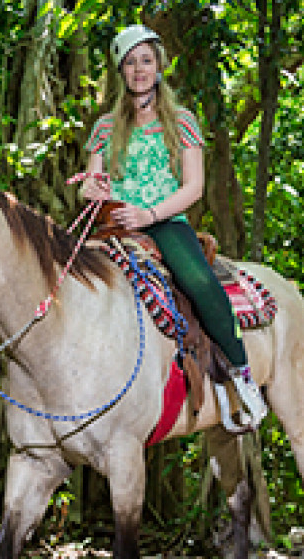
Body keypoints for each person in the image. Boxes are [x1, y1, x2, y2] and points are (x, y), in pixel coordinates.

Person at [79, 24, 268, 428]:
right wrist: (91, 190)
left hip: (162, 221)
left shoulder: (181, 122)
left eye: (146, 60)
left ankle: (240, 370)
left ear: (159, 66)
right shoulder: (104, 128)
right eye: (130, 63)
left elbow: (194, 186)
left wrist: (148, 215)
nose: (138, 69)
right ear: (120, 72)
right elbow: (90, 185)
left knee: (200, 283)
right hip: (113, 223)